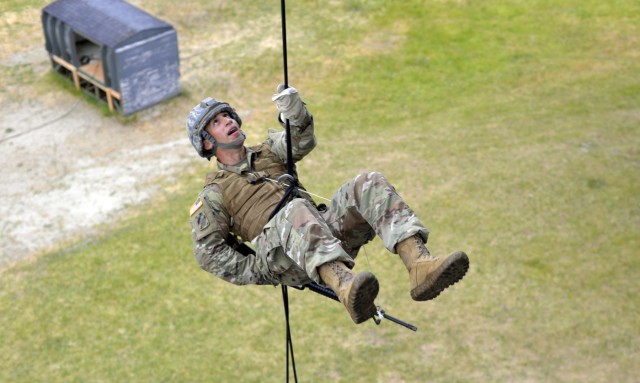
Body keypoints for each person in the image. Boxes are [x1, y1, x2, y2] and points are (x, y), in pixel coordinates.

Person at [186, 85, 469, 324]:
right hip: (287, 259)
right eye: (216, 122)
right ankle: (346, 288)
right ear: (207, 143)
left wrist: (295, 113)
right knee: (294, 210)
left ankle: (419, 265)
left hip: (322, 235)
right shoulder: (214, 194)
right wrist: (261, 271)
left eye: (227, 115)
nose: (227, 122)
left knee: (367, 183)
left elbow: (301, 141)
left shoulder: (269, 151)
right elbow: (208, 253)